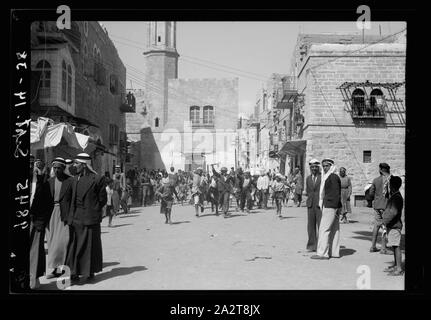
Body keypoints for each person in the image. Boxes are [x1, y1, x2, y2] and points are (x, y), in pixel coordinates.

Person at [65, 153, 107, 284]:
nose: (74, 166)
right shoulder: (74, 179)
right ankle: (73, 273)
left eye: (77, 163)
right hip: (76, 217)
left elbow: (102, 200)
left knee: (90, 246)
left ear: (84, 165)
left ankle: (89, 271)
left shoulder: (97, 179)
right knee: (74, 246)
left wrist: (92, 210)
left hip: (90, 218)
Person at [44, 157, 73, 279]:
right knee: (52, 244)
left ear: (63, 168)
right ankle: (56, 270)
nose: (56, 170)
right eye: (54, 168)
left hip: (64, 215)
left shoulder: (70, 181)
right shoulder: (49, 181)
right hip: (51, 215)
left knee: (63, 243)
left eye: (59, 168)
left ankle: (64, 269)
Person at [311, 158, 341, 260]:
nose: (325, 168)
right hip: (332, 205)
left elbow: (336, 193)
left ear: (331, 166)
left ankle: (322, 253)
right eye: (323, 166)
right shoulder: (328, 176)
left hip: (330, 205)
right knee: (334, 229)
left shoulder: (332, 177)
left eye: (327, 166)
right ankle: (334, 252)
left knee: (324, 229)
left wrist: (334, 207)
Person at [29, 155, 50, 289]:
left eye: (33, 164)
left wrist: (41, 222)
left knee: (34, 252)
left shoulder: (43, 182)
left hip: (36, 221)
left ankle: (33, 280)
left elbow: (47, 204)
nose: (31, 167)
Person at [382, 176, 404, 276]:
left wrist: (385, 220)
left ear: (393, 186)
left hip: (395, 225)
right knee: (394, 246)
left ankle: (399, 268)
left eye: (390, 185)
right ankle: (396, 265)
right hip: (392, 225)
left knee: (396, 247)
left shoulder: (397, 197)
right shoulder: (395, 195)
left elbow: (393, 212)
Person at [369, 163, 392, 254]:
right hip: (386, 206)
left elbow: (371, 193)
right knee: (385, 226)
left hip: (377, 206)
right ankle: (383, 248)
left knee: (376, 226)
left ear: (380, 170)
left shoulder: (375, 180)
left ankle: (373, 246)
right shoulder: (390, 179)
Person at [305, 159, 322, 252]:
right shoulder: (308, 178)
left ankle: (320, 245)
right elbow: (308, 191)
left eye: (316, 167)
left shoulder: (322, 177)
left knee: (320, 225)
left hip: (319, 204)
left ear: (318, 167)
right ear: (310, 168)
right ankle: (311, 245)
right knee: (310, 226)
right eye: (312, 167)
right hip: (310, 204)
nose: (314, 169)